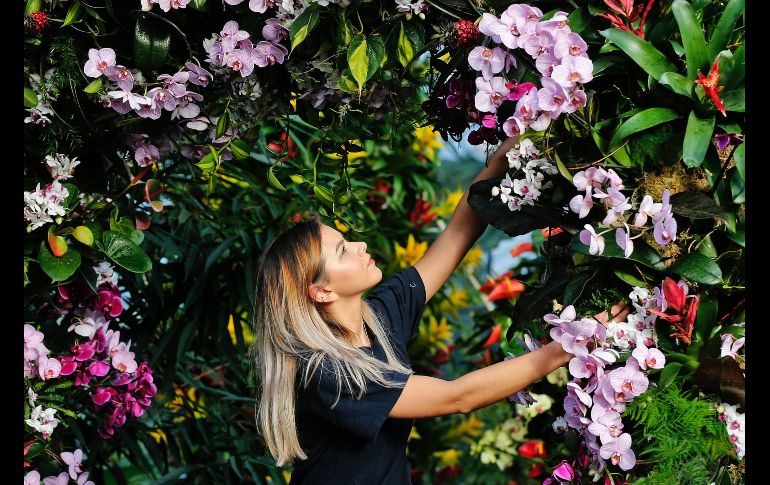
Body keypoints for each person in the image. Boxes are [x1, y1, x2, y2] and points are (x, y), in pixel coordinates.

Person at [249, 137, 630, 484]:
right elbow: (457, 397)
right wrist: (570, 345)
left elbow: (456, 236)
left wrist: (500, 161)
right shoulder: (326, 371)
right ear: (320, 291)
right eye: (343, 250)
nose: (360, 244)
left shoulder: (378, 318)